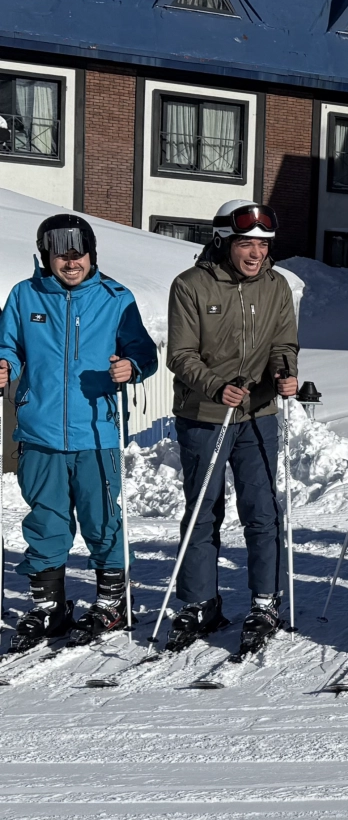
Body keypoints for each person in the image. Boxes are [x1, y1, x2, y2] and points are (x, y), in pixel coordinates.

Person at [0, 215, 158, 652]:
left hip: (97, 431)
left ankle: (112, 601)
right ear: (45, 256)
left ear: (91, 255)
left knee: (102, 517)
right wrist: (6, 366)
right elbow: (8, 345)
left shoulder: (115, 297)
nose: (70, 263)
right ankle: (50, 606)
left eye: (78, 254)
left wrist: (133, 367)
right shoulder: (24, 295)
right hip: (40, 430)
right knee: (45, 520)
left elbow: (144, 353)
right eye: (60, 255)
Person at [165, 200, 300, 654]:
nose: (256, 253)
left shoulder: (277, 287)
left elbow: (284, 342)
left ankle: (265, 601)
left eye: (262, 245)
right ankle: (200, 601)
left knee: (261, 512)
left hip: (258, 415)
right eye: (246, 243)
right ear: (223, 242)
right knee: (203, 511)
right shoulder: (190, 286)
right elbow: (180, 355)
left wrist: (284, 372)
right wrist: (216, 386)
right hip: (204, 415)